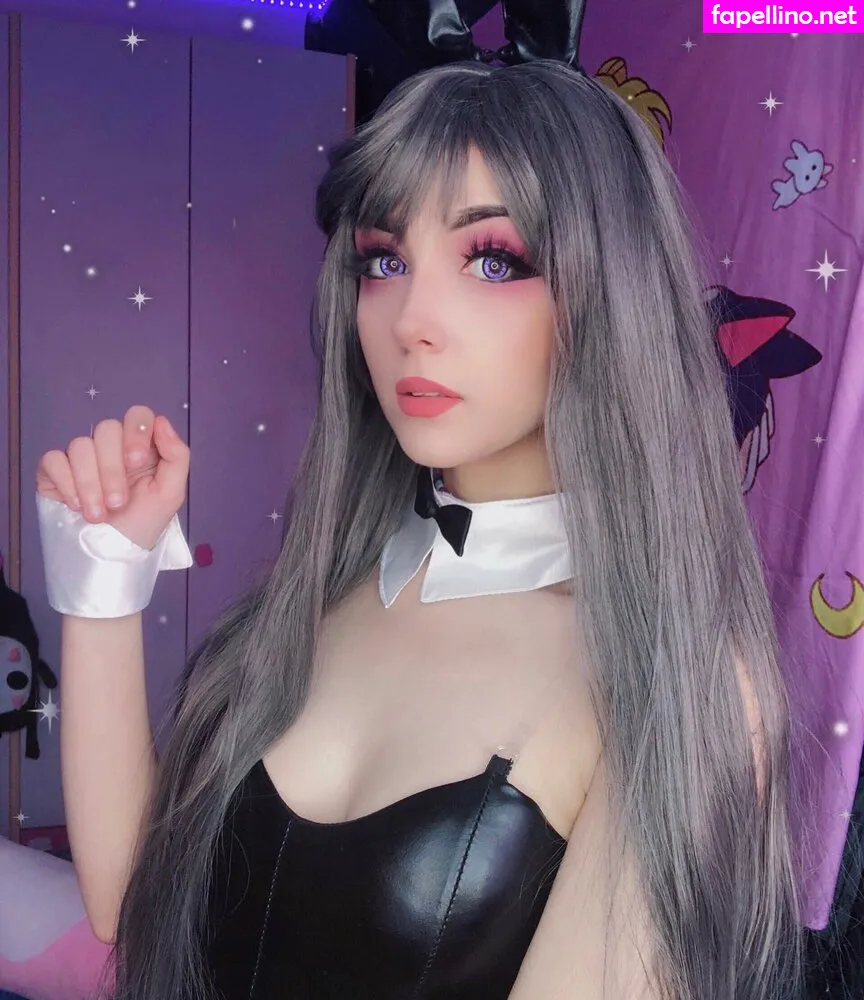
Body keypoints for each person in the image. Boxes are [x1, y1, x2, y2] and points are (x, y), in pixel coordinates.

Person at [35, 58, 804, 1000]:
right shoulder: (320, 597)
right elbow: (135, 908)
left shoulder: (671, 675)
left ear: (611, 296)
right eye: (384, 261)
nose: (413, 321)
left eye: (494, 260)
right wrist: (103, 582)